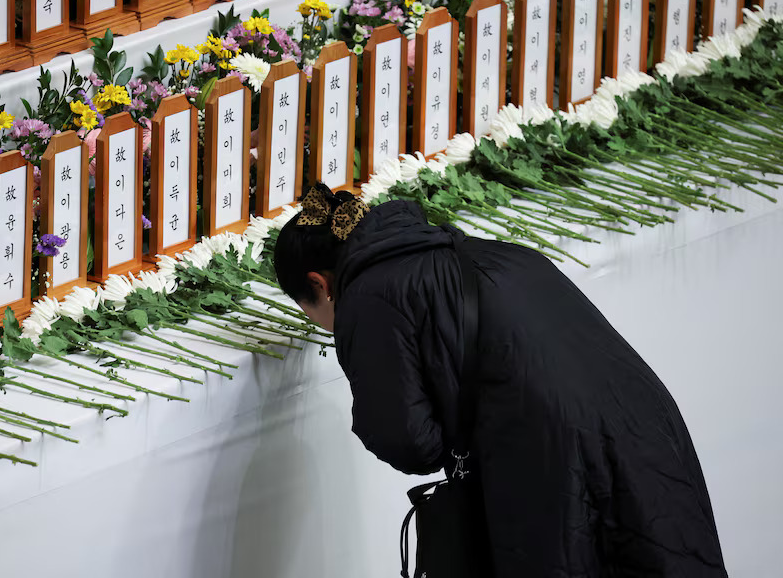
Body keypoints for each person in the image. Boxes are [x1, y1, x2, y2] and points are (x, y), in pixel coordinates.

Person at [274, 182, 728, 577]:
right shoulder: (480, 250)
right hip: (645, 427)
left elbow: (412, 442)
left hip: (554, 461)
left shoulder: (369, 297)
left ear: (320, 284)